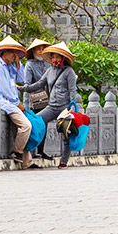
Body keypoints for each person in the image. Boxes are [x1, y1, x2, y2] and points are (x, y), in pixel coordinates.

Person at [0, 36, 35, 170]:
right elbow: (4, 89)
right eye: (12, 52)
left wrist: (18, 63)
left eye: (16, 53)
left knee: (20, 131)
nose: (14, 55)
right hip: (7, 103)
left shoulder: (10, 66)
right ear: (4, 52)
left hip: (14, 102)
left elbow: (22, 79)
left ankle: (27, 162)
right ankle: (16, 151)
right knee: (26, 126)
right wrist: (17, 103)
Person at [33, 41, 80, 169]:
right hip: (51, 107)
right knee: (36, 122)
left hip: (64, 107)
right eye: (53, 57)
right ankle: (32, 154)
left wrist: (71, 108)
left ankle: (64, 161)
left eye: (57, 57)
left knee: (66, 134)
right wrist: (23, 88)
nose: (55, 59)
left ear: (63, 58)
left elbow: (72, 90)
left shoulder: (69, 71)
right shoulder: (49, 71)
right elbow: (39, 84)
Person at [22, 38, 54, 160]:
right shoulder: (29, 65)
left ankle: (41, 151)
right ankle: (29, 152)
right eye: (38, 49)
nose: (41, 52)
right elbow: (27, 85)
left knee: (44, 125)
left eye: (43, 49)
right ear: (34, 51)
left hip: (46, 100)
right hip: (34, 100)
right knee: (33, 126)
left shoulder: (48, 65)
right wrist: (26, 105)